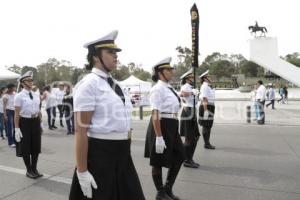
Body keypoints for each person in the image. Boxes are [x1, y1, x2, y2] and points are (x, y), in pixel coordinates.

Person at [69, 30, 145, 200]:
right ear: (96, 57)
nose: (115, 56)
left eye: (116, 52)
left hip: (123, 155)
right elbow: (80, 131)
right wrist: (82, 171)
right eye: (110, 52)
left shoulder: (115, 84)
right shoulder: (88, 85)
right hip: (101, 157)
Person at [144, 57, 185, 200]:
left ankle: (168, 188)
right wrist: (159, 137)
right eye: (168, 69)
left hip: (172, 124)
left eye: (171, 69)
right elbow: (155, 113)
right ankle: (160, 193)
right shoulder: (157, 89)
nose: (171, 71)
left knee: (180, 155)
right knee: (158, 161)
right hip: (161, 124)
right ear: (160, 72)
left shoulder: (169, 87)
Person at [14, 71, 43, 179]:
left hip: (35, 121)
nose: (31, 82)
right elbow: (17, 114)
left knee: (36, 146)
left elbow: (38, 110)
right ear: (22, 83)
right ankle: (29, 170)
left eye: (31, 80)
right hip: (24, 122)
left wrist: (40, 123)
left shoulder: (36, 95)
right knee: (25, 147)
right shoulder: (19, 96)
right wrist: (16, 128)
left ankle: (34, 168)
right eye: (28, 81)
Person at [179, 68, 200, 168]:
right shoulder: (186, 86)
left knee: (195, 137)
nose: (193, 78)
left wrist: (195, 93)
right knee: (189, 138)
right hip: (187, 111)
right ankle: (186, 159)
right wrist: (192, 93)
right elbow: (182, 94)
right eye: (191, 77)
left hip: (192, 110)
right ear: (187, 79)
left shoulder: (192, 87)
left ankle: (189, 158)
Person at [198, 70, 216, 149]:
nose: (210, 77)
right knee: (206, 125)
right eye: (208, 76)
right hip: (206, 106)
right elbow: (204, 98)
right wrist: (205, 110)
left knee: (208, 125)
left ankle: (207, 143)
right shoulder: (205, 86)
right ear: (205, 78)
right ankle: (206, 144)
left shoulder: (207, 86)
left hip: (209, 106)